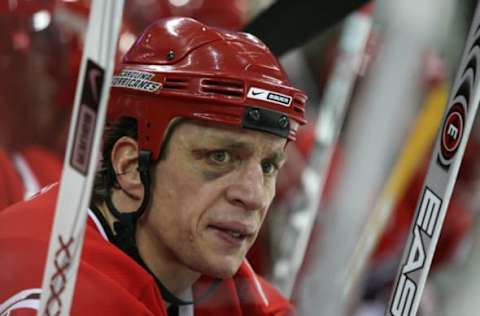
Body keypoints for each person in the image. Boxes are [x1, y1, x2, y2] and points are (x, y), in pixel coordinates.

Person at [0, 17, 307, 315]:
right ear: (131, 167)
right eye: (220, 157)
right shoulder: (60, 286)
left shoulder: (205, 271)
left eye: (268, 166)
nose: (253, 196)